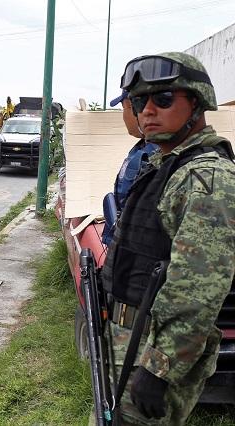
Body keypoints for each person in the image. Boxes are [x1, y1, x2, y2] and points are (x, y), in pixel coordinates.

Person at [100, 52, 235, 424]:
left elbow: (197, 290)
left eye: (162, 99)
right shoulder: (167, 164)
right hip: (130, 337)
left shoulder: (207, 179)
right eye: (140, 101)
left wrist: (158, 370)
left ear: (197, 102)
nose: (147, 111)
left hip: (152, 350)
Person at [101, 89, 158, 245]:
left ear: (136, 110)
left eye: (124, 109)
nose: (124, 116)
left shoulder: (153, 157)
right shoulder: (142, 148)